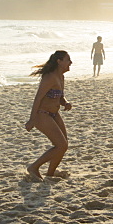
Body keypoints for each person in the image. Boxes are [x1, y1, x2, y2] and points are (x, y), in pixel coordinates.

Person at [25, 50, 73, 180]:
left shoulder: (61, 76)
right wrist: (31, 120)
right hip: (42, 114)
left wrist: (66, 103)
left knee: (63, 146)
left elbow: (60, 96)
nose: (71, 62)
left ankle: (50, 174)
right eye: (68, 60)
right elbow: (38, 98)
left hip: (54, 114)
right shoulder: (50, 77)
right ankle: (33, 167)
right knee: (61, 145)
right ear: (59, 61)